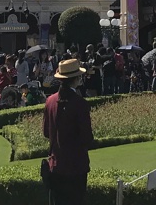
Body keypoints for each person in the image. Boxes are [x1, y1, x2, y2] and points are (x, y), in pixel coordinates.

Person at [42, 58, 95, 205]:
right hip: (76, 166)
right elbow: (87, 137)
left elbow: (46, 132)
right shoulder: (80, 104)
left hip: (55, 165)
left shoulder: (50, 101)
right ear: (77, 79)